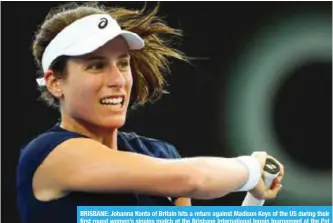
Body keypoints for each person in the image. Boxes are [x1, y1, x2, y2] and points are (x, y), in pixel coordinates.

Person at [16, 2, 284, 223]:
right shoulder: (49, 155)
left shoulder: (161, 154)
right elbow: (193, 178)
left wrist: (254, 195)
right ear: (55, 82)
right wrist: (250, 169)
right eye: (96, 66)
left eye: (123, 63)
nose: (118, 80)